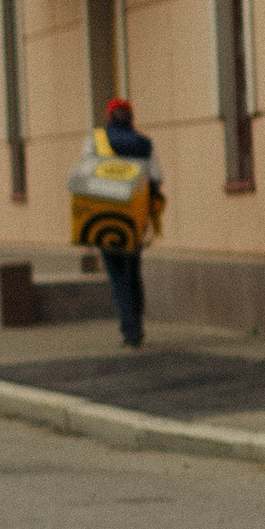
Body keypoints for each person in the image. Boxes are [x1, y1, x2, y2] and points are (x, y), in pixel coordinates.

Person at [96, 94, 162, 349]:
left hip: (105, 215)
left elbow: (86, 175)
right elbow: (156, 176)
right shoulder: (144, 144)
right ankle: (137, 323)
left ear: (108, 116)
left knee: (116, 274)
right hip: (135, 216)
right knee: (132, 270)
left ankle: (129, 328)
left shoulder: (97, 142)